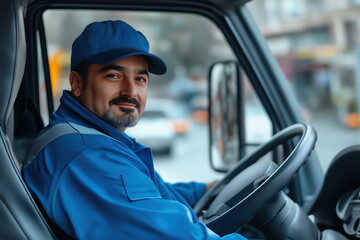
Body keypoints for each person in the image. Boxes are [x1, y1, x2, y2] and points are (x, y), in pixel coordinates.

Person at [23, 20, 247, 240]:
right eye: (114, 76)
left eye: (140, 78)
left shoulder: (91, 139)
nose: (131, 91)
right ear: (77, 83)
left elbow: (147, 194)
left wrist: (208, 189)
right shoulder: (88, 155)